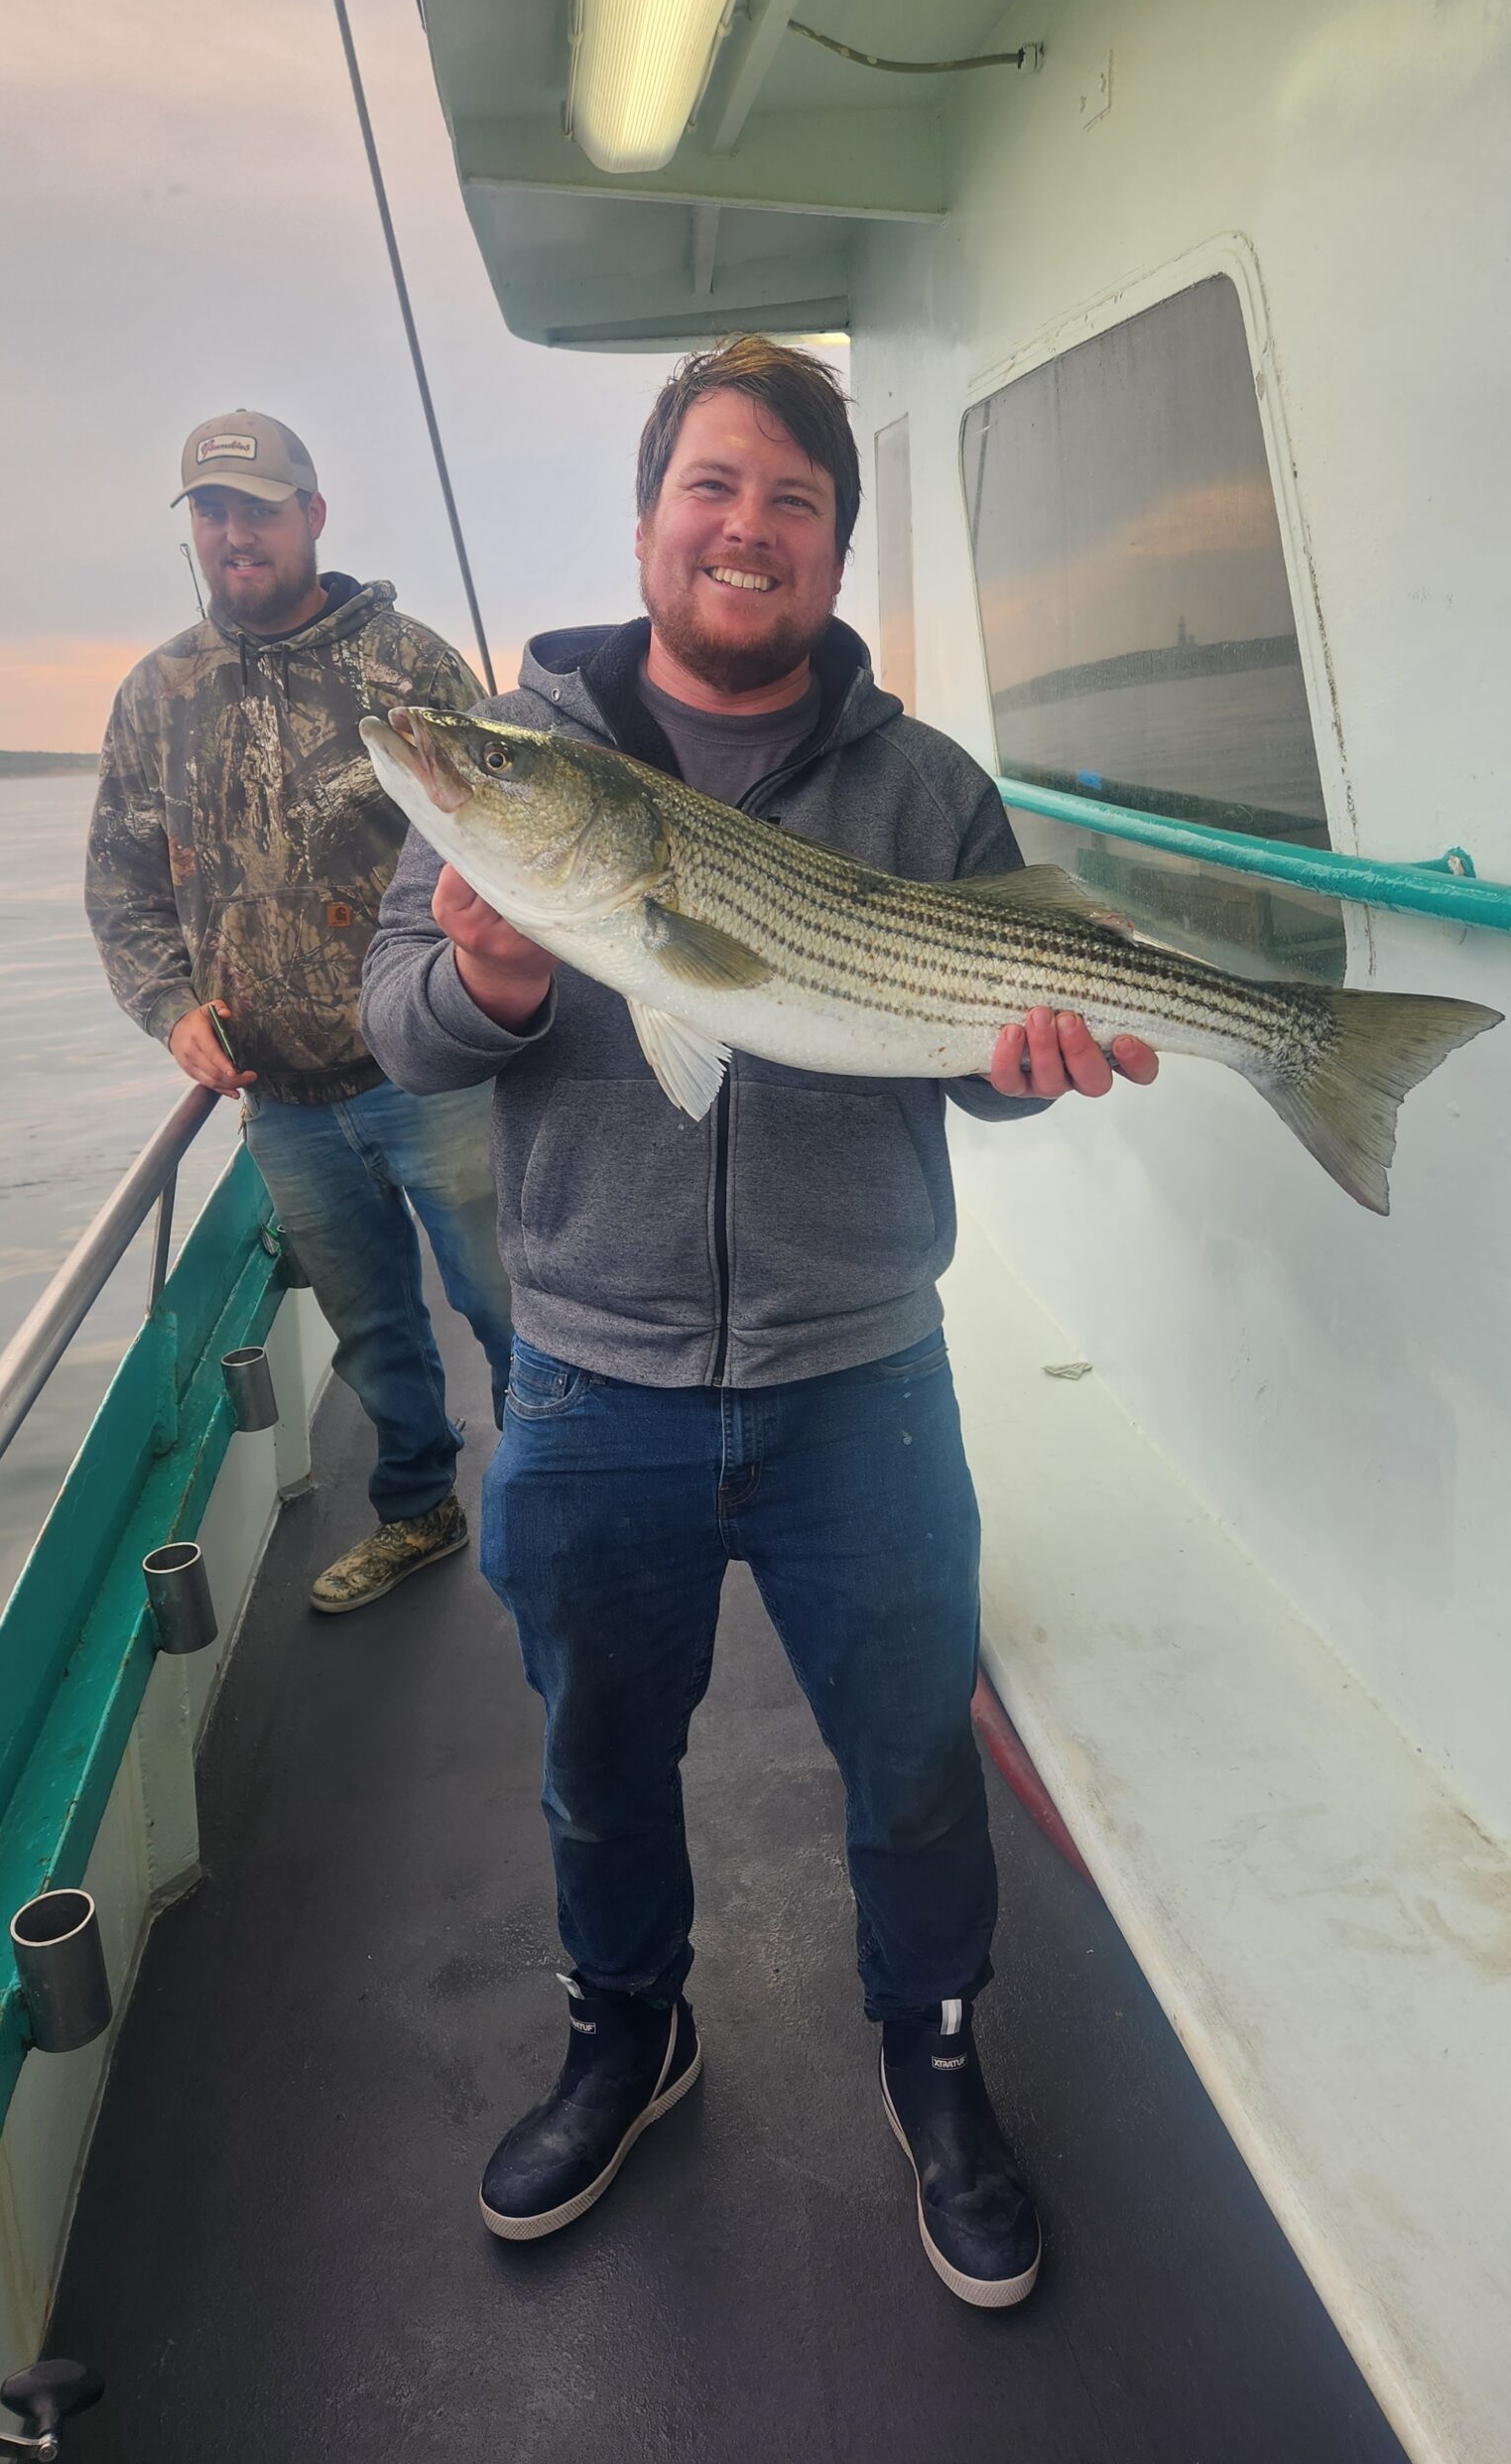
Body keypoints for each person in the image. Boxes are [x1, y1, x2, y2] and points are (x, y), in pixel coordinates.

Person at [360, 338, 1157, 2306]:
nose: (749, 527)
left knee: (910, 1753)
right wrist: (496, 982)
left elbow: (966, 1060)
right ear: (646, 528)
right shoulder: (523, 766)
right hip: (587, 1368)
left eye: (794, 501)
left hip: (859, 1371)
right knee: (599, 1754)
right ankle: (627, 2026)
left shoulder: (926, 788)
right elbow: (397, 1032)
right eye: (713, 487)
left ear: (830, 551)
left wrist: (1024, 1068)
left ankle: (938, 2051)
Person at [86, 408, 512, 1615]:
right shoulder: (155, 694)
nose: (235, 534)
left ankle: (557, 1506)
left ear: (313, 515)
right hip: (280, 1100)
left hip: (432, 1071)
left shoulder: (409, 665)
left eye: (258, 509)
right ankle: (419, 1510)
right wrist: (171, 1010)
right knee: (372, 1327)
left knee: (510, 1300)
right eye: (212, 512)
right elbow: (119, 882)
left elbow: (498, 854)